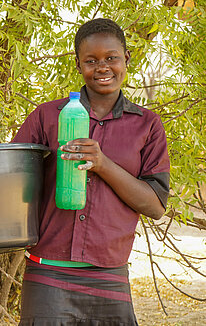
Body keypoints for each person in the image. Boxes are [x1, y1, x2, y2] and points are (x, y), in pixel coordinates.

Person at [12, 18, 170, 325]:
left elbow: (155, 206)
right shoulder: (47, 116)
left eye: (111, 58)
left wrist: (103, 164)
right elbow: (3, 177)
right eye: (91, 60)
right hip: (48, 273)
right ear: (78, 65)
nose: (102, 67)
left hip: (109, 276)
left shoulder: (147, 125)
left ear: (127, 59)